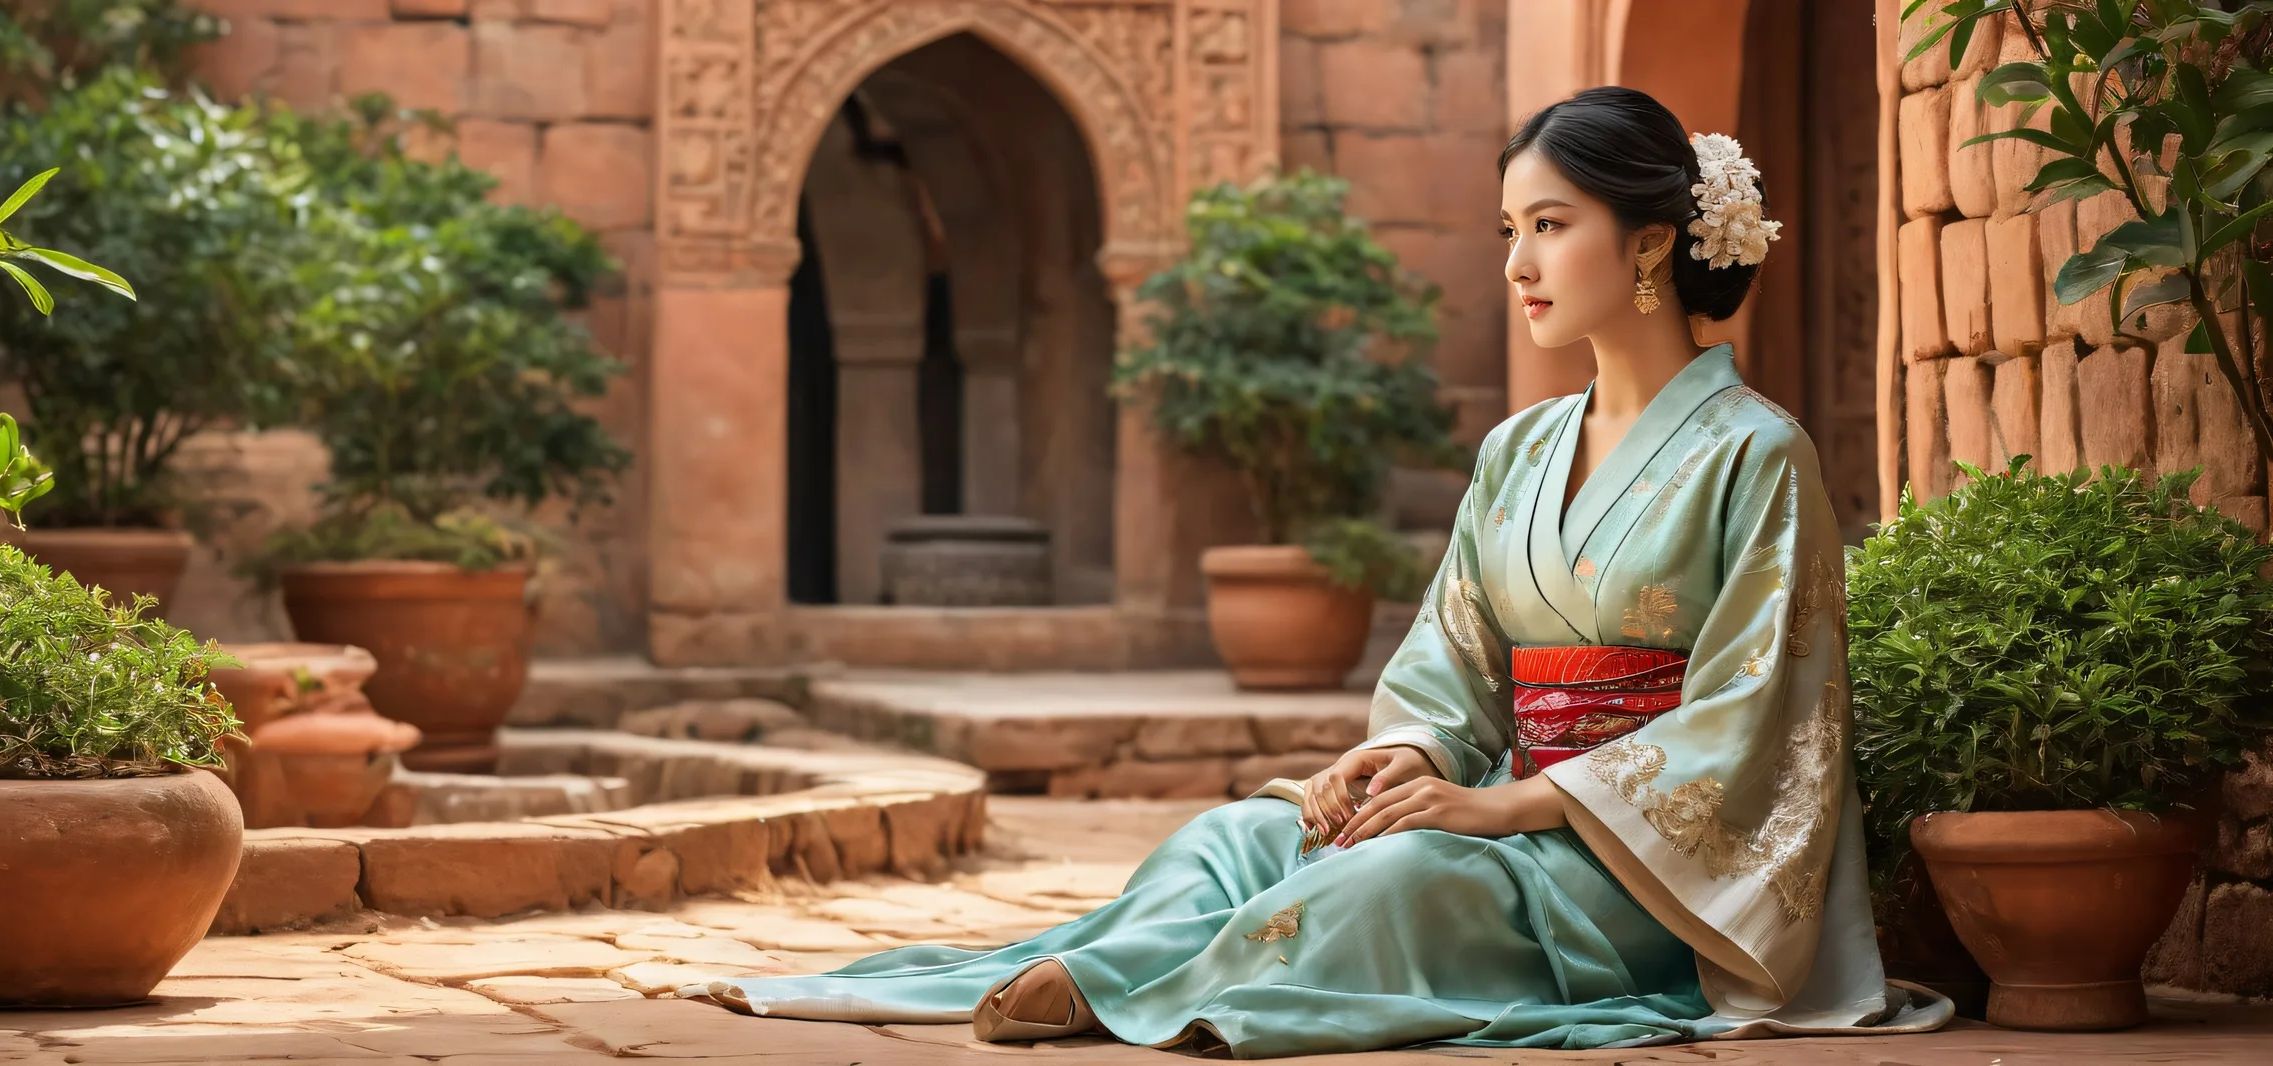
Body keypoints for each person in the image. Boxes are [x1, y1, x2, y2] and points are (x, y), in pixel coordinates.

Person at [683, 86, 1951, 1057]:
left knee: (1402, 877)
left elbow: (1757, 724)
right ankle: (1159, 964)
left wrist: (1507, 807)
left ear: (1649, 244)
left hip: (1639, 871)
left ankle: (1137, 986)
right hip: (1497, 806)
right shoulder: (1519, 448)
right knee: (1236, 836)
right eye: (1509, 229)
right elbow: (1454, 665)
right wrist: (1407, 757)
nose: (1514, 263)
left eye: (1550, 227)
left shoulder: (1756, 455)